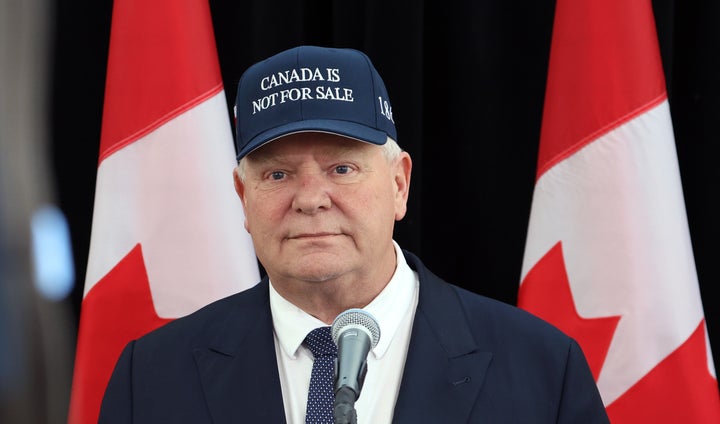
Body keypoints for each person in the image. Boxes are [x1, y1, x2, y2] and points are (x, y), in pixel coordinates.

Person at [99, 45, 610, 423]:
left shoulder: (543, 370)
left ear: (399, 184)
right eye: (277, 175)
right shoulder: (150, 379)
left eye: (341, 169)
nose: (310, 197)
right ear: (243, 197)